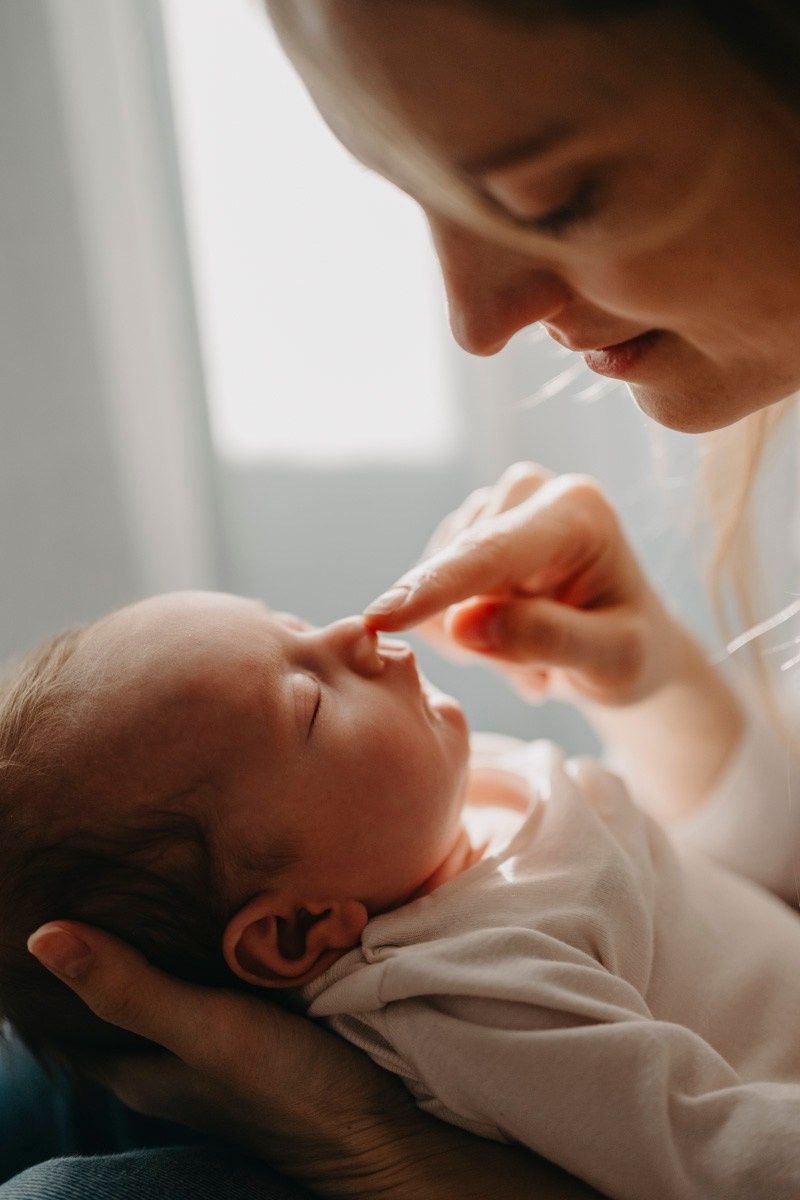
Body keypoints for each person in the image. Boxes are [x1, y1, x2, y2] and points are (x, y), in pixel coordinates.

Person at [5, 1, 800, 1197]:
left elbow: (705, 1146)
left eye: (547, 199)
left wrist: (375, 1153)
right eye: (413, 191)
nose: (476, 324)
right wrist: (652, 683)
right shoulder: (469, 977)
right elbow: (733, 904)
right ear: (296, 927)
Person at [4, 584, 800, 1200]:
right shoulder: (479, 995)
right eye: (309, 703)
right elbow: (710, 1155)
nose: (355, 633)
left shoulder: (427, 818)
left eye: (293, 623)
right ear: (298, 927)